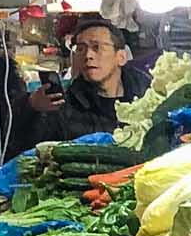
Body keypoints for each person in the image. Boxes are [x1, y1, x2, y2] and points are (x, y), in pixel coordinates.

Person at [19, 16, 149, 144]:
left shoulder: (149, 98)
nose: (88, 55)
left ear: (121, 57)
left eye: (97, 47)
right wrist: (31, 109)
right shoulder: (66, 107)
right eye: (81, 49)